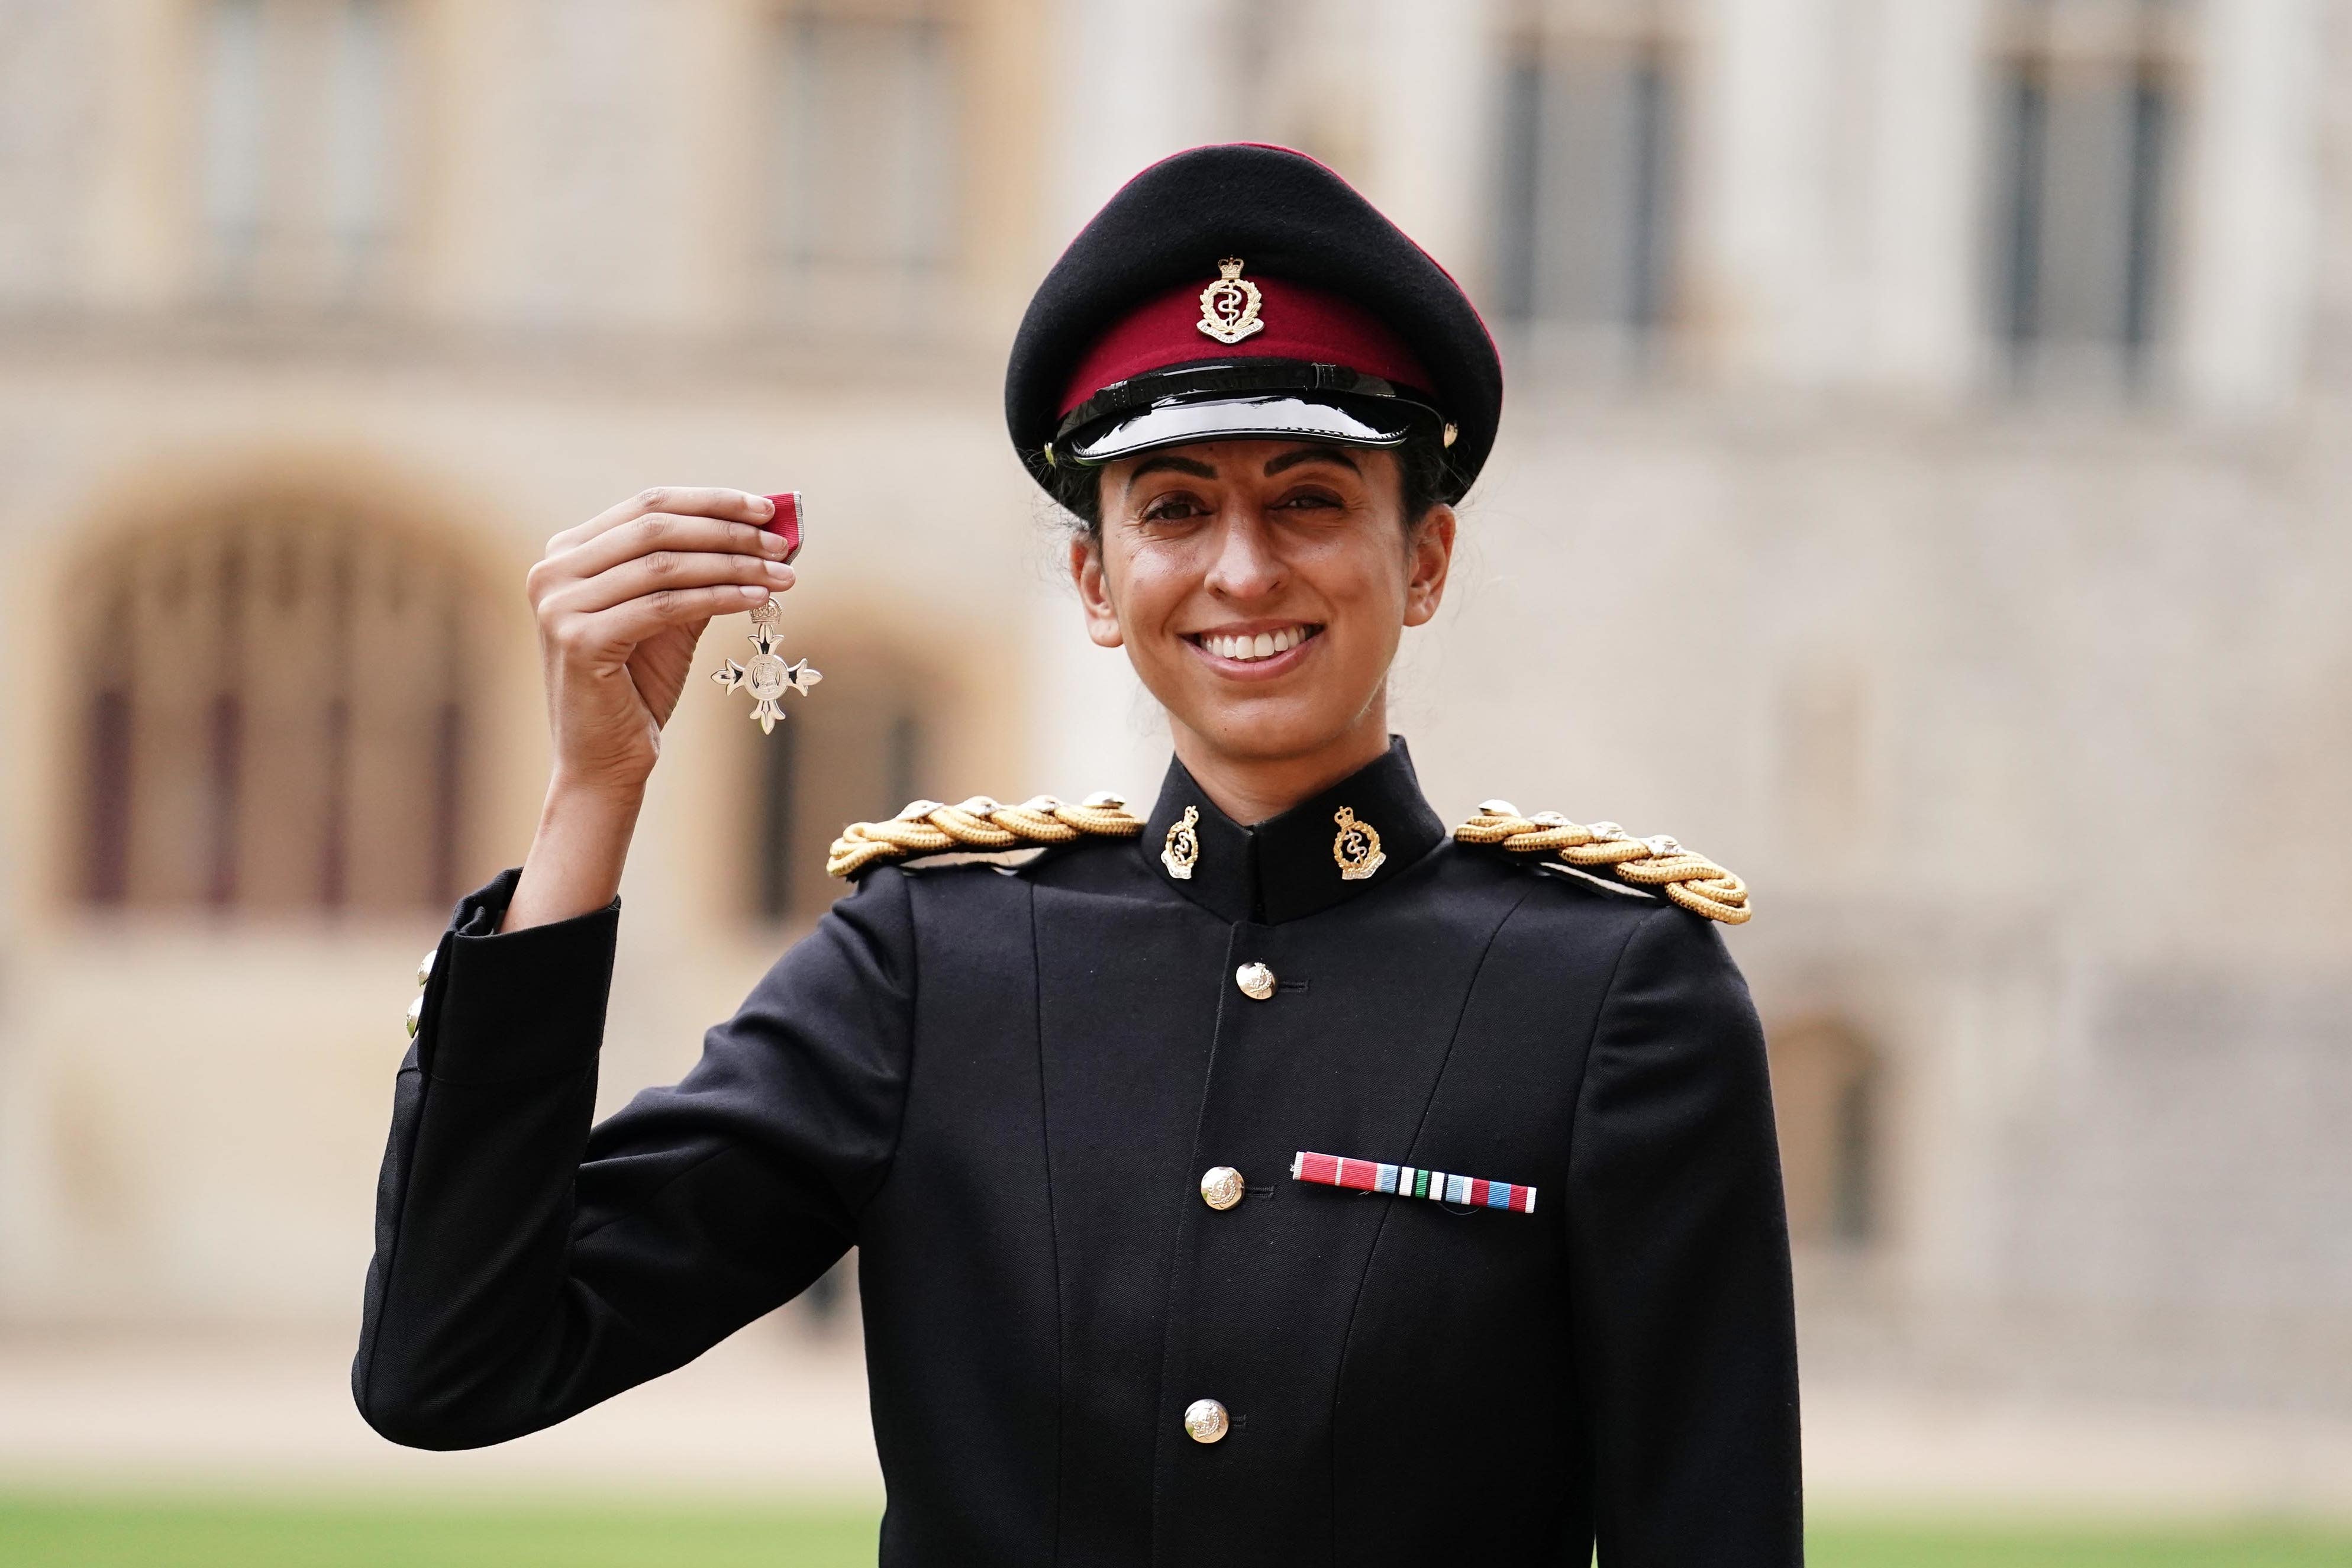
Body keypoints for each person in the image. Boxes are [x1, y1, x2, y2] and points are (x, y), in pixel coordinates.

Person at [356, 143, 1799, 1565]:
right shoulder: (928, 964)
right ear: (1095, 581)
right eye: (1173, 507)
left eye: (1308, 496)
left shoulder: (1618, 993)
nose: (1242, 568)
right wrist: (591, 792)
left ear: (1420, 559)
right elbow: (456, 1361)